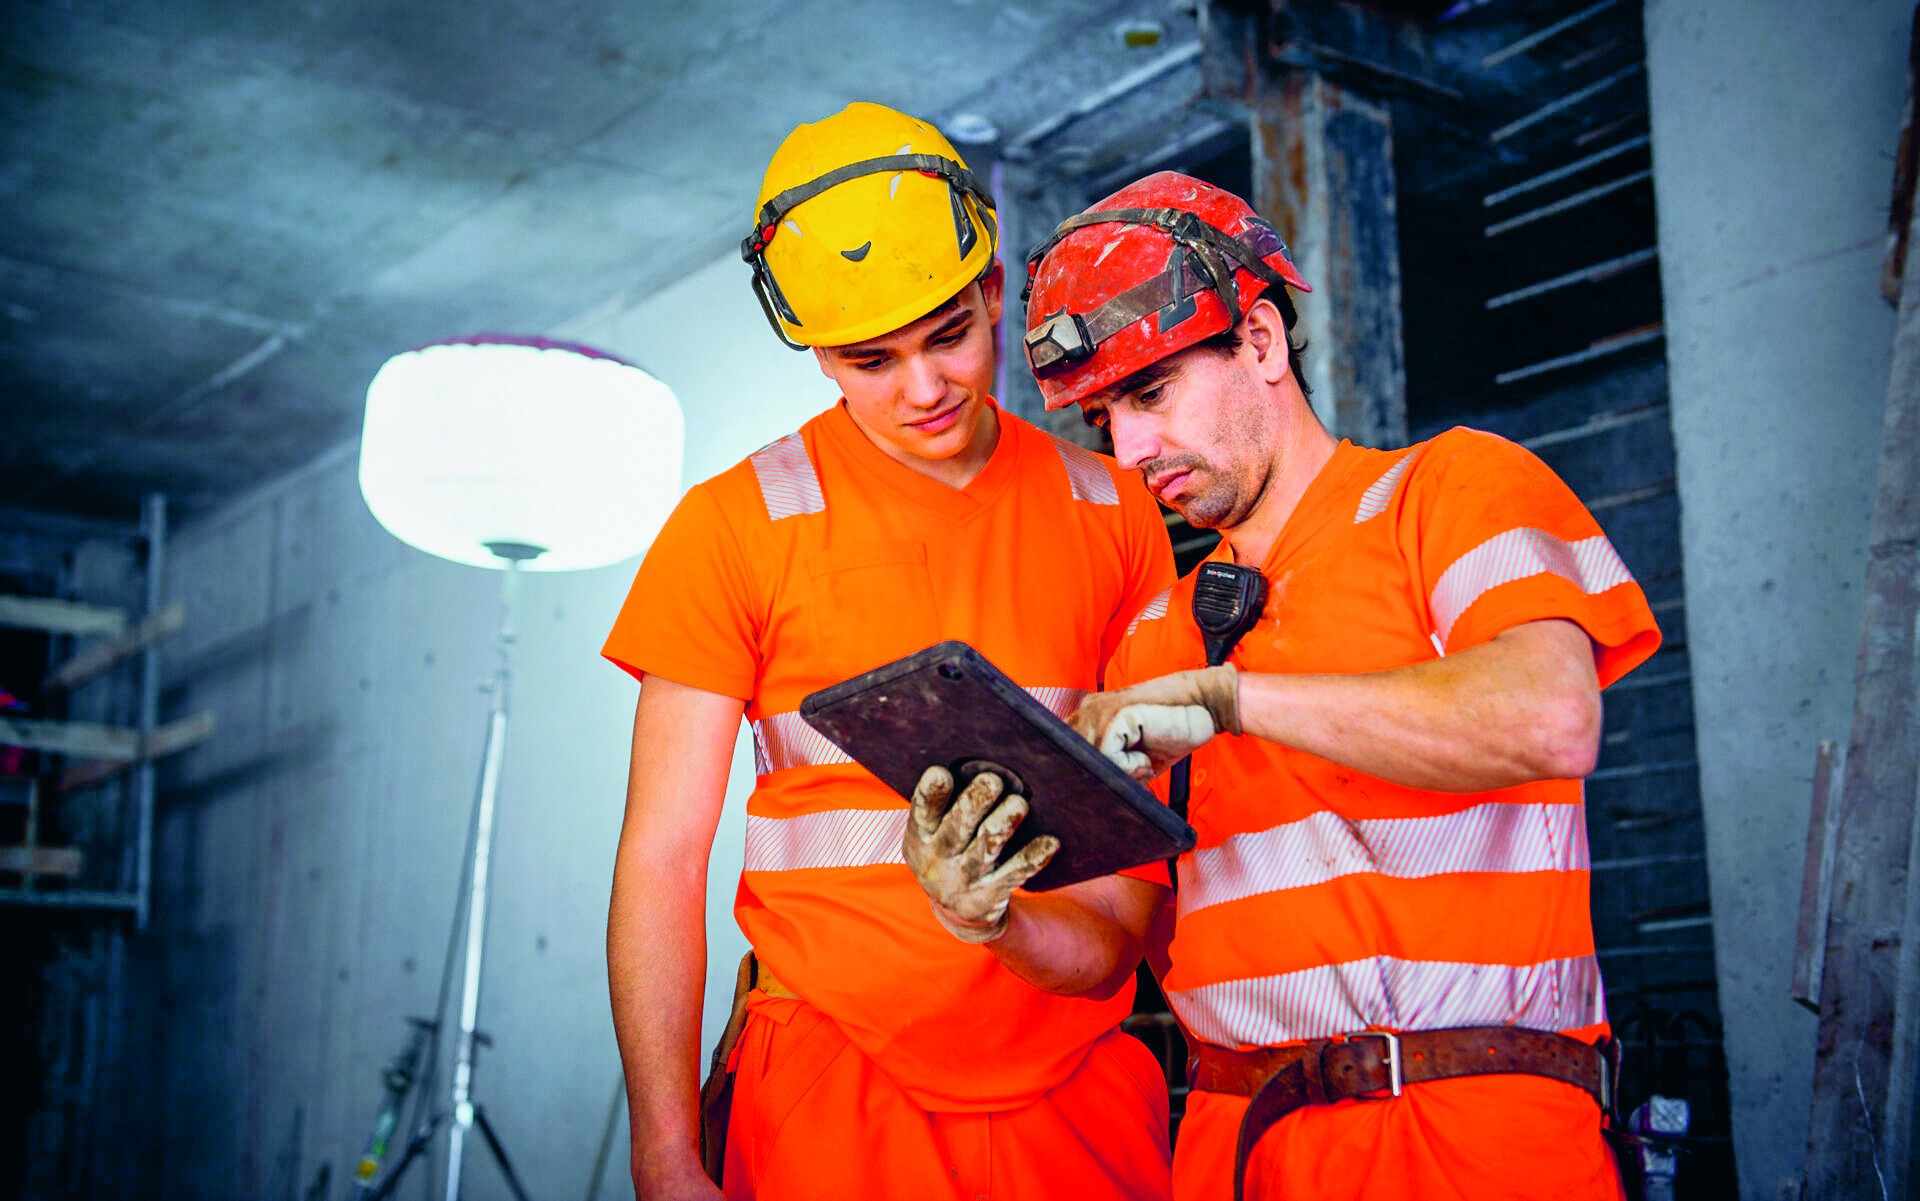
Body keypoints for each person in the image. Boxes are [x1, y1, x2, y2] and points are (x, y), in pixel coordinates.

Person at [1016, 171, 1663, 1201]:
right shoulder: (1151, 639)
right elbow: (1112, 941)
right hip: (1247, 1152)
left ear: (1262, 341)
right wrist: (989, 913)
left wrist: (1236, 701)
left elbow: (1550, 716)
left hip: (1479, 1136)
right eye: (1104, 416)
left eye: (1151, 393)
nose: (1129, 448)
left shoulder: (1449, 491)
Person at [601, 102, 1177, 1201]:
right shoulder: (734, 526)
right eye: (872, 359)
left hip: (1077, 1080)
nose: (924, 388)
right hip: (829, 1073)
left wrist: (1007, 920)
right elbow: (662, 863)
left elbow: (1130, 884)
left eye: (950, 335)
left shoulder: (1115, 509)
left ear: (996, 290)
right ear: (818, 351)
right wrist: (666, 1150)